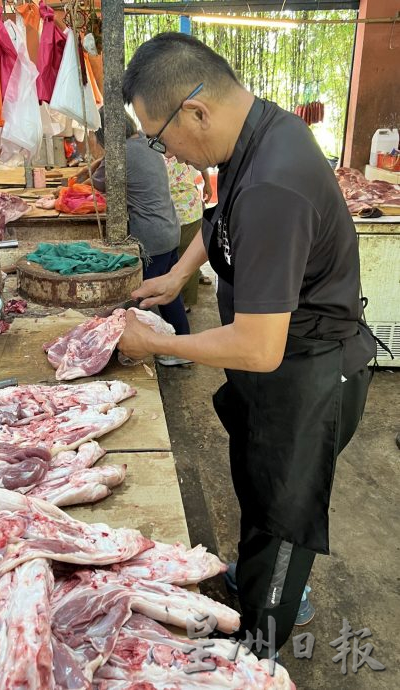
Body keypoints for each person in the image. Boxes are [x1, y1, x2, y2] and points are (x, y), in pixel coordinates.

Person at [118, 32, 376, 657]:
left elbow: (260, 347)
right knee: (257, 489)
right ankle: (257, 577)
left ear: (196, 111)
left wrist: (161, 343)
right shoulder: (252, 135)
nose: (165, 153)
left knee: (283, 520)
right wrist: (180, 273)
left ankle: (258, 650)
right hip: (277, 364)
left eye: (159, 138)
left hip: (308, 372)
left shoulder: (273, 184)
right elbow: (220, 221)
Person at [77, 106, 191, 357]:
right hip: (170, 229)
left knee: (143, 297)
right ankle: (182, 349)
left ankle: (146, 347)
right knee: (168, 292)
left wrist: (74, 183)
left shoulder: (121, 154)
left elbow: (99, 183)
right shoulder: (145, 142)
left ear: (105, 135)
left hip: (152, 237)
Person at [164, 158, 213, 310]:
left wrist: (208, 183)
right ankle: (180, 298)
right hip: (168, 208)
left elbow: (201, 161)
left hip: (186, 208)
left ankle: (184, 301)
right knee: (180, 255)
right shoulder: (154, 147)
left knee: (187, 256)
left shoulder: (181, 143)